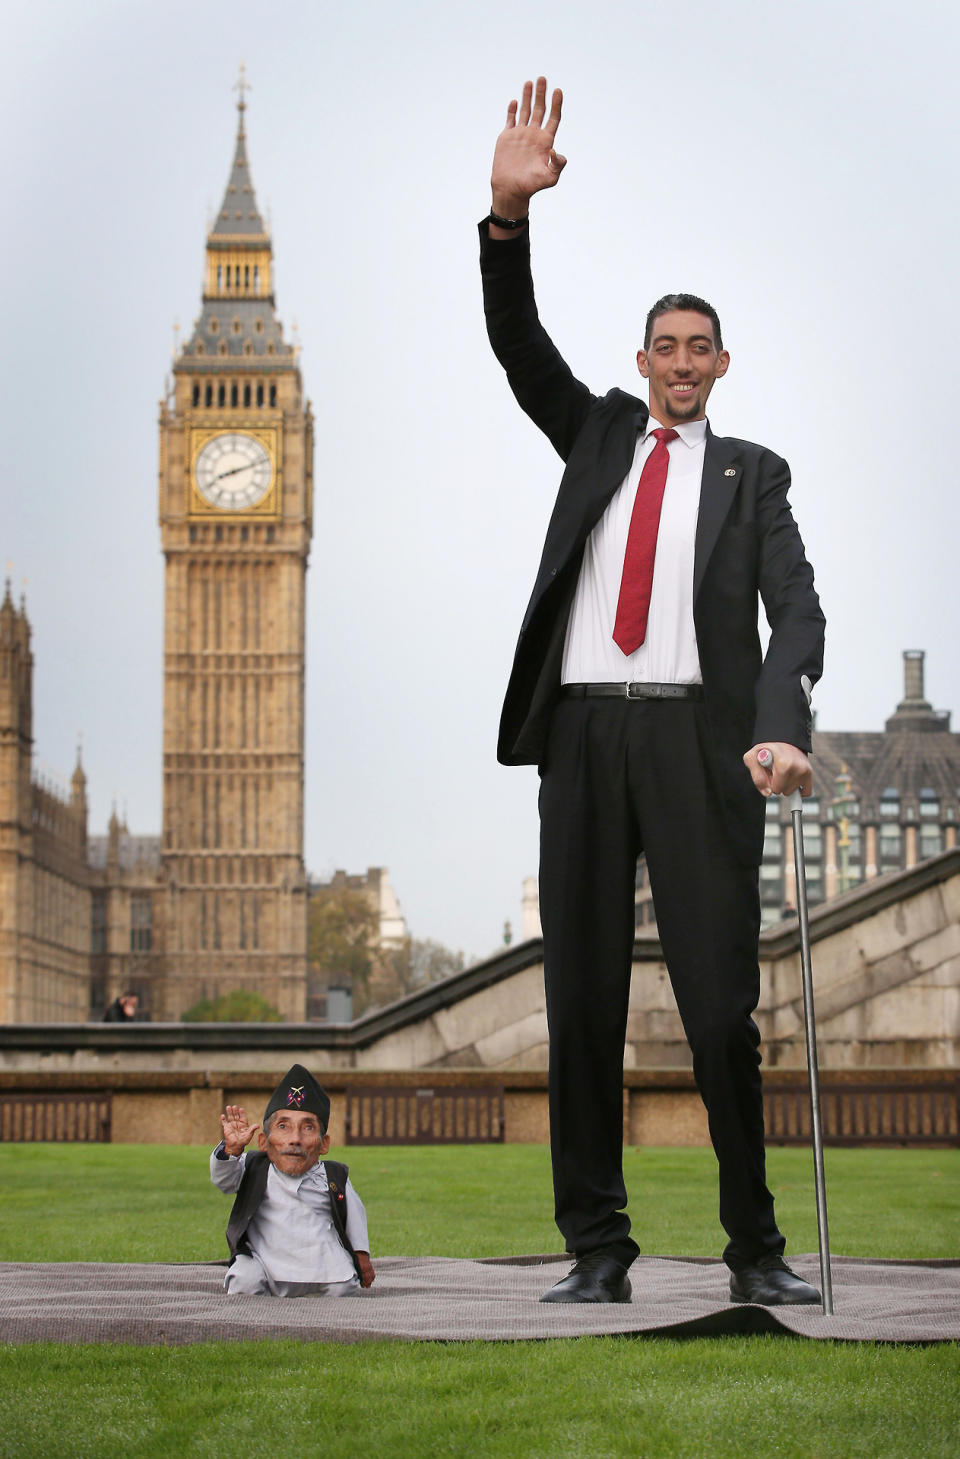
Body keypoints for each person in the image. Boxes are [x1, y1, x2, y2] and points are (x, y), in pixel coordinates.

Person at [480, 79, 825, 1306]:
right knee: (581, 1000)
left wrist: (781, 729)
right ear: (642, 362)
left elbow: (800, 613)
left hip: (696, 745)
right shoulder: (596, 436)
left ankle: (756, 1247)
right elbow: (519, 349)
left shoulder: (752, 474)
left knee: (721, 1005)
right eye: (663, 347)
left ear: (722, 364)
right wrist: (509, 217)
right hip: (581, 736)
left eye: (699, 349)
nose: (680, 365)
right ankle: (598, 1248)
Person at [210, 1063, 375, 1296]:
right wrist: (231, 1150)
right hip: (265, 1260)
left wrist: (361, 1255)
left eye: (308, 1128)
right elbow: (224, 1181)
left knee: (343, 1288)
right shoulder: (253, 1167)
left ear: (324, 1143)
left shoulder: (334, 1176)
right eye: (283, 1126)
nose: (295, 1139)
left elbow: (355, 1215)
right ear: (264, 1142)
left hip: (322, 1261)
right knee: (245, 1282)